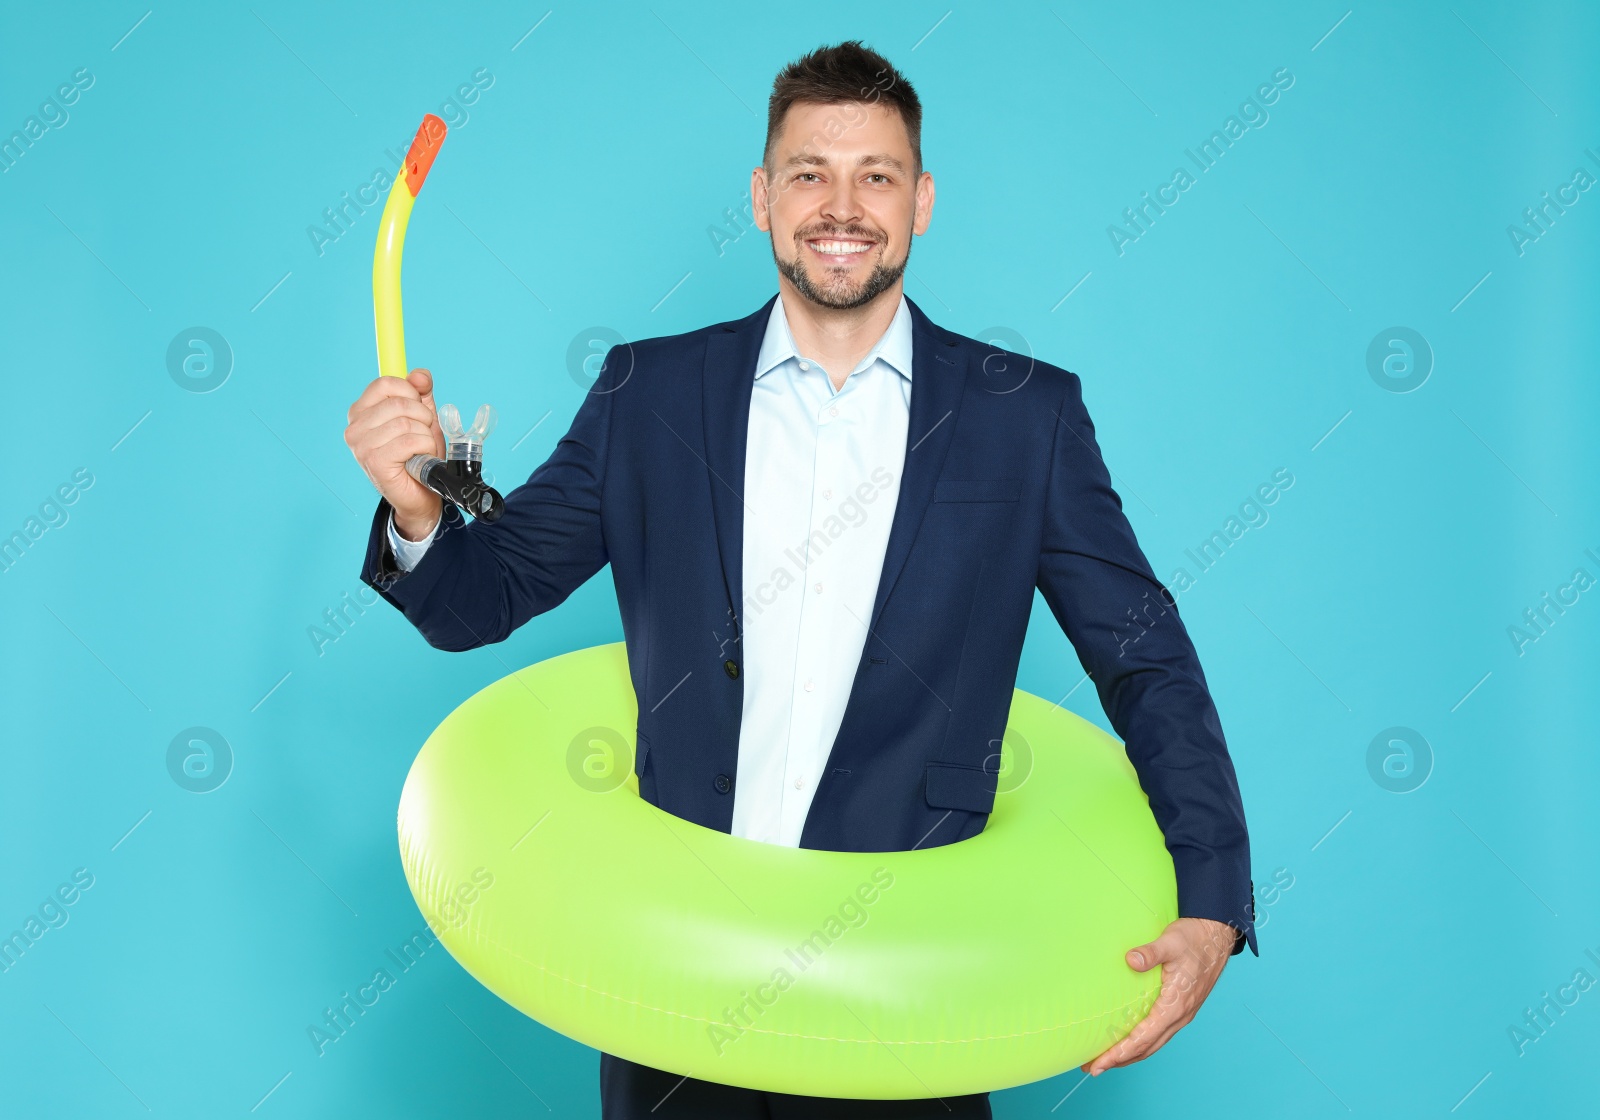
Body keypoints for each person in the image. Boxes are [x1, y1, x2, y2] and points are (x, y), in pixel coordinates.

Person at [344, 40, 1256, 1120]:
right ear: (763, 196)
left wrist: (1211, 902)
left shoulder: (1025, 416)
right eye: (809, 172)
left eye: (875, 174)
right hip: (674, 1010)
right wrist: (415, 510)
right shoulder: (650, 390)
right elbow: (482, 600)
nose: (842, 204)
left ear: (919, 201)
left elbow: (1145, 658)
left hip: (903, 1000)